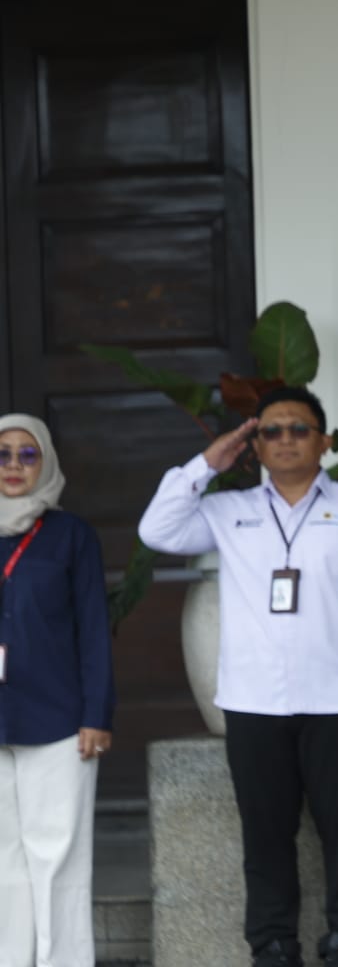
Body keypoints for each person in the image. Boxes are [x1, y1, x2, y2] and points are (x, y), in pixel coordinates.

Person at [138, 387, 338, 967]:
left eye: (299, 429)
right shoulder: (226, 511)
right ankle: (271, 942)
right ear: (255, 445)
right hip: (255, 701)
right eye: (272, 431)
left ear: (325, 441)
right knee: (265, 834)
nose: (285, 439)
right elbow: (157, 530)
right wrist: (207, 463)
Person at [0, 413, 115, 967]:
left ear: (45, 460)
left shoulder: (72, 536)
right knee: (4, 861)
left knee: (59, 858)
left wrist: (97, 713)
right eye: (3, 454)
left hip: (59, 718)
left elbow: (94, 630)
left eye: (28, 454)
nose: (15, 465)